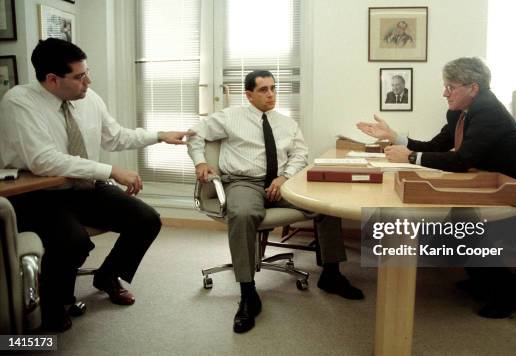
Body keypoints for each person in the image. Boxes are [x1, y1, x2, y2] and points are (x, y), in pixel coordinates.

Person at [0, 38, 193, 332]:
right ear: (52, 80)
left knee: (146, 220)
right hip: (37, 194)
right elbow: (44, 161)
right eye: (79, 76)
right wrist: (111, 170)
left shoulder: (88, 97)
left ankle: (107, 276)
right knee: (72, 241)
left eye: (86, 72)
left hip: (83, 185)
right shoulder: (19, 102)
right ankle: (55, 303)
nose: (88, 81)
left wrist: (159, 135)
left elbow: (115, 136)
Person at [357, 57, 516, 318]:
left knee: (462, 227)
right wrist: (395, 137)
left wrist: (411, 158)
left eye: (451, 87)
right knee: (457, 220)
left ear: (473, 88)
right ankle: (488, 281)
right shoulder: (462, 112)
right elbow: (437, 145)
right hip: (495, 188)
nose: (444, 93)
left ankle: (505, 293)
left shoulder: (489, 112)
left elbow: (462, 160)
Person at [188, 70, 364, 334]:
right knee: (243, 214)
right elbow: (195, 134)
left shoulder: (286, 123)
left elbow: (299, 155)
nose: (271, 94)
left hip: (281, 185)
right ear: (249, 95)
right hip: (243, 182)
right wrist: (200, 161)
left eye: (273, 88)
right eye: (263, 90)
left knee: (326, 205)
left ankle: (331, 273)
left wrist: (284, 178)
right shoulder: (229, 117)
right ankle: (248, 293)